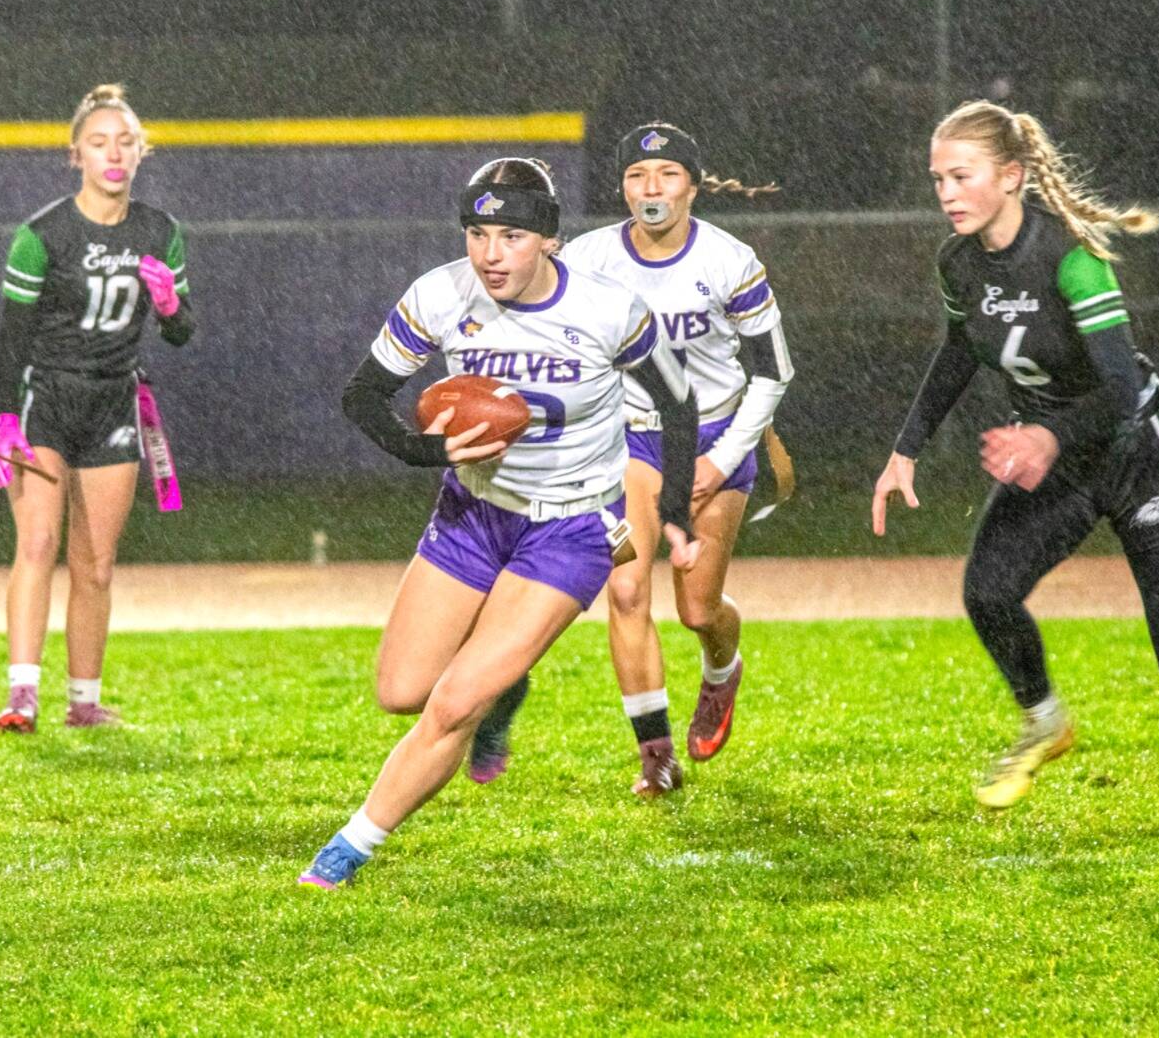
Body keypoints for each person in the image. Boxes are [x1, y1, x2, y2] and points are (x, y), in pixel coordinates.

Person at [299, 157, 702, 888]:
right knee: (401, 691)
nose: (489, 253)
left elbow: (678, 405)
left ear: (548, 239)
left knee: (452, 703)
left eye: (511, 235)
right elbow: (363, 395)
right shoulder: (440, 294)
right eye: (477, 233)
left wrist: (671, 508)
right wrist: (426, 451)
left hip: (571, 529)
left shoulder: (610, 309)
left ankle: (347, 850)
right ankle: (504, 692)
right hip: (471, 513)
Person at [871, 100, 1159, 850]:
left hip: (1138, 454)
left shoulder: (1071, 256)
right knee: (987, 592)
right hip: (1054, 458)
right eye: (937, 178)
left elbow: (1117, 388)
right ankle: (1044, 719)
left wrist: (1046, 432)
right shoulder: (957, 262)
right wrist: (906, 446)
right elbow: (959, 350)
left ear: (1011, 176)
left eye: (961, 175)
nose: (946, 192)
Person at [560, 123, 792, 796]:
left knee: (698, 611)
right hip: (632, 439)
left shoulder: (728, 259)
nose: (651, 188)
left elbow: (774, 370)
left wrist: (721, 462)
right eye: (636, 175)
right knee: (627, 589)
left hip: (717, 435)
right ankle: (655, 755)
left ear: (693, 184)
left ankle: (722, 671)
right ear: (621, 187)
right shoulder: (589, 257)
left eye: (666, 174)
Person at [0, 84, 194, 732]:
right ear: (75, 154)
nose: (114, 153)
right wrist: (5, 416)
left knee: (96, 561)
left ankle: (84, 702)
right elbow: (11, 337)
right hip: (48, 395)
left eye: (126, 142)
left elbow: (183, 331)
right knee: (39, 541)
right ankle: (22, 695)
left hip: (113, 400)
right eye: (99, 142)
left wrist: (168, 306)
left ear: (141, 153)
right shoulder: (42, 235)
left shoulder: (161, 231)